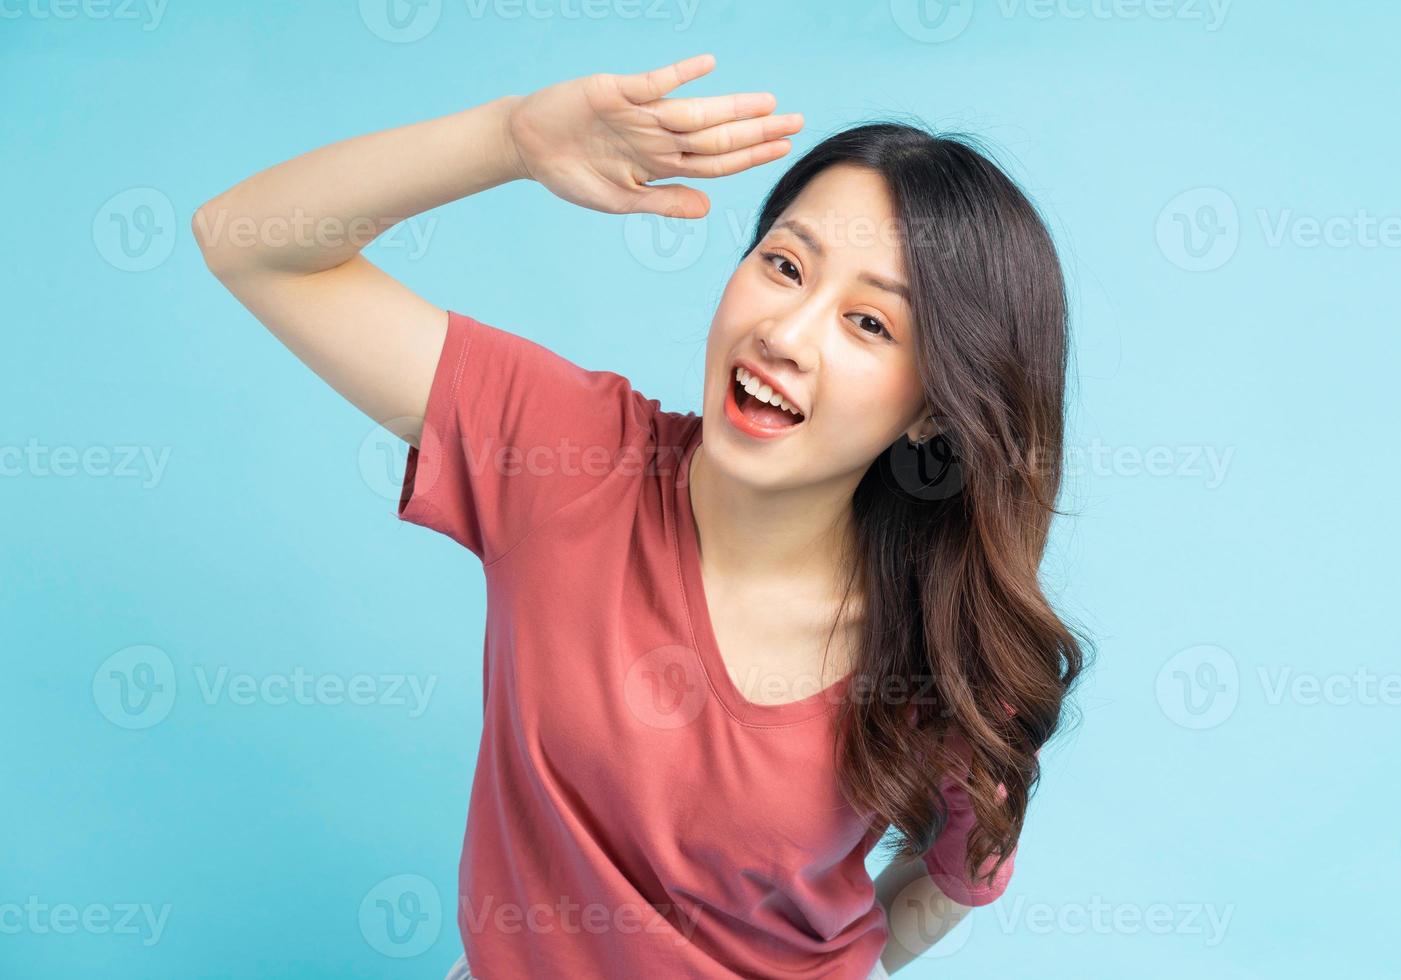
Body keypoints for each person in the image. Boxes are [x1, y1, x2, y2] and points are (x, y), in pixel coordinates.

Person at [193, 52, 1088, 979]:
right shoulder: (568, 457)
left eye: (870, 324)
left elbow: (949, 880)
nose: (785, 333)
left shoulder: (949, 647)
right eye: (784, 265)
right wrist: (507, 139)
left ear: (937, 405)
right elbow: (247, 242)